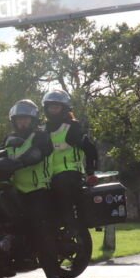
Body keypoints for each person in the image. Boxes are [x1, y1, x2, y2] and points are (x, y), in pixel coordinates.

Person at [0, 99, 61, 278]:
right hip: (16, 189)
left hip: (38, 189)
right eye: (19, 119)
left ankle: (52, 272)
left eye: (25, 119)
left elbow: (36, 155)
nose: (22, 123)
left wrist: (17, 162)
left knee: (39, 229)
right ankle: (3, 267)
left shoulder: (42, 136)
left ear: (33, 120)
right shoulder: (9, 139)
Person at [42, 90, 98, 238]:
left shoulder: (72, 127)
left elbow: (90, 149)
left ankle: (70, 224)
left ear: (64, 108)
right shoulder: (43, 130)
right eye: (50, 107)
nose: (53, 110)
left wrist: (90, 171)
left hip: (70, 172)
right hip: (49, 175)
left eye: (56, 107)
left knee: (62, 186)